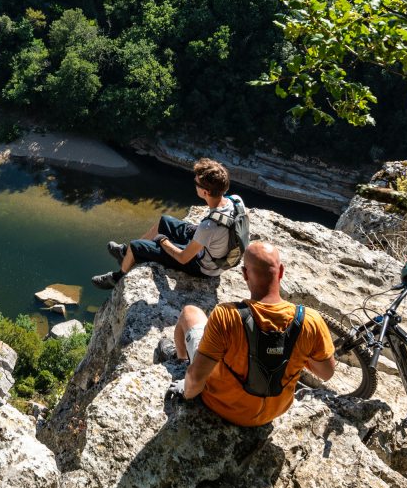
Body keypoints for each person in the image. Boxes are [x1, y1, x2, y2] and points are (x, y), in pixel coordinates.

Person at [170, 241, 336, 427]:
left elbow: (196, 378)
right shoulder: (310, 320)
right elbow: (327, 373)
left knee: (190, 313)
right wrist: (293, 351)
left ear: (244, 274)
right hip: (273, 413)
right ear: (281, 272)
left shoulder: (227, 315)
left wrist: (186, 392)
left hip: (223, 407)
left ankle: (181, 360)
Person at [91, 157, 245, 291]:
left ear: (206, 192)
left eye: (196, 183)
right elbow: (225, 230)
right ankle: (126, 254)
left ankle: (118, 277)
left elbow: (184, 258)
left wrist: (163, 241)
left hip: (203, 267)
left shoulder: (209, 227)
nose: (195, 185)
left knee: (136, 245)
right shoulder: (236, 201)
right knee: (164, 220)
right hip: (214, 250)